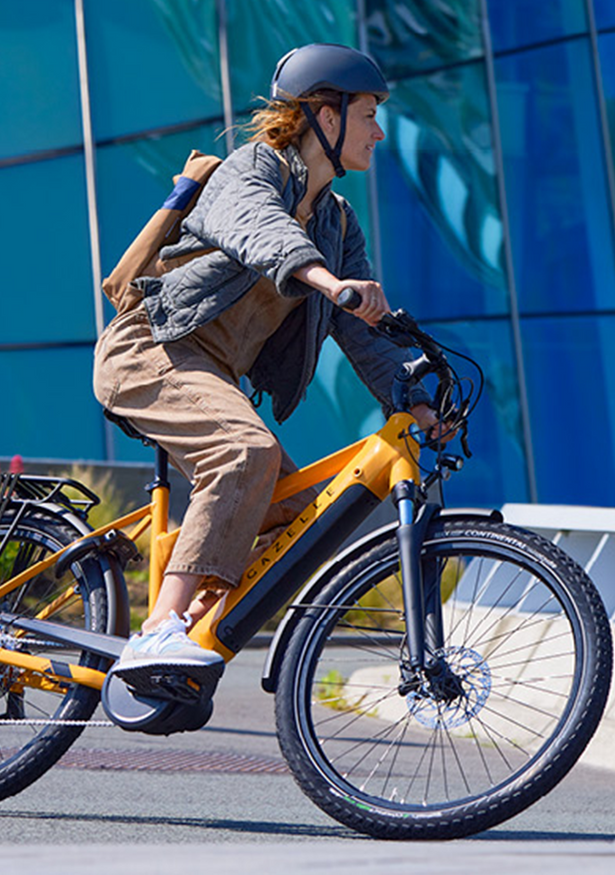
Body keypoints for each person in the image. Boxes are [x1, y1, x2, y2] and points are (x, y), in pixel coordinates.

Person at [94, 44, 443, 681]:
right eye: (368, 115)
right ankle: (157, 630)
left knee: (297, 510)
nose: (379, 131)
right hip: (150, 350)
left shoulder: (337, 222)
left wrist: (419, 402)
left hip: (209, 375)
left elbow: (364, 335)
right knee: (244, 452)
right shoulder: (252, 168)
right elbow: (260, 229)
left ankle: (196, 620)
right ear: (327, 116)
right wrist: (327, 280)